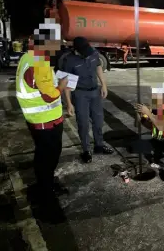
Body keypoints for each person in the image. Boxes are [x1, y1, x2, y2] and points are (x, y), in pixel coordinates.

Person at [15, 19, 68, 206]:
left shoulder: (28, 56)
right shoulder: (39, 61)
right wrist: (61, 87)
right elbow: (48, 96)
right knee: (48, 155)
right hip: (44, 120)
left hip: (41, 119)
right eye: (56, 42)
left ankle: (46, 184)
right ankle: (46, 191)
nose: (59, 45)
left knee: (45, 155)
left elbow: (39, 84)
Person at [63, 37, 113, 163]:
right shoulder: (69, 61)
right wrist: (69, 103)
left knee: (98, 121)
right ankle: (86, 150)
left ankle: (99, 146)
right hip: (80, 94)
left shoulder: (93, 52)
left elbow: (98, 67)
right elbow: (67, 83)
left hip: (95, 92)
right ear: (76, 51)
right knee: (83, 124)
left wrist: (104, 85)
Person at [135, 83, 164, 181]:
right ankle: (157, 155)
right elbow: (149, 126)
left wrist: (149, 114)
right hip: (157, 139)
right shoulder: (155, 110)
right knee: (137, 146)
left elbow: (163, 127)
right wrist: (139, 116)